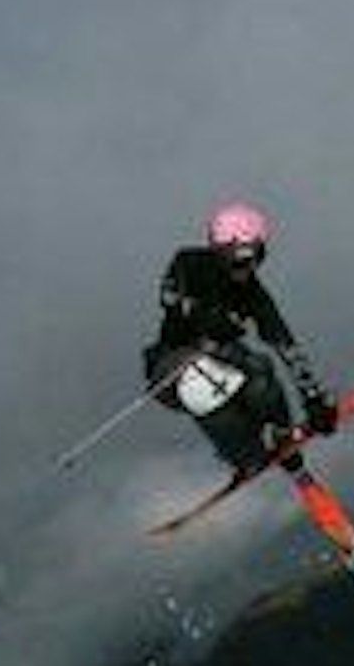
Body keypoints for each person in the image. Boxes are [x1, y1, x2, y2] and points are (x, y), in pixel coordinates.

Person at [143, 201, 338, 480]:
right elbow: (170, 297)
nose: (245, 268)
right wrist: (202, 315)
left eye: (255, 258)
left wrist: (314, 398)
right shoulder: (190, 263)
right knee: (203, 384)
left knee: (259, 370)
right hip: (174, 364)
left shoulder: (253, 294)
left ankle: (279, 434)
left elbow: (284, 343)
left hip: (227, 360)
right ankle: (245, 455)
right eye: (236, 260)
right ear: (218, 251)